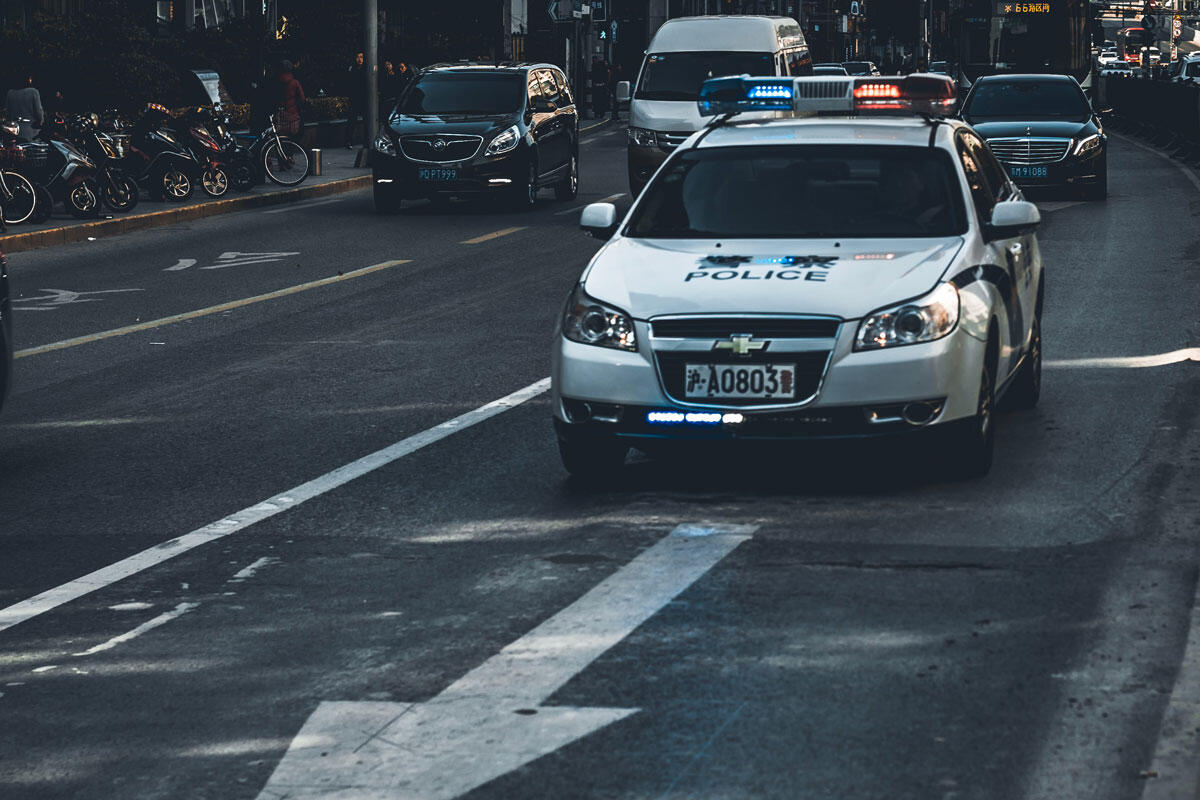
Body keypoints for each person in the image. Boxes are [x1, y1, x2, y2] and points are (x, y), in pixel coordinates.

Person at [6, 73, 44, 142]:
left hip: (14, 131)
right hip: (32, 131)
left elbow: (8, 114)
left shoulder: (10, 93)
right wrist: (41, 121)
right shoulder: (33, 92)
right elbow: (39, 111)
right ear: (28, 80)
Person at [276, 60, 306, 137]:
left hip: (280, 115)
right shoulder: (295, 83)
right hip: (293, 115)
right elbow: (302, 99)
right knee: (293, 137)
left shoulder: (276, 82)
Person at [344, 51, 366, 148]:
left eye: (361, 57)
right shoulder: (352, 69)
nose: (359, 59)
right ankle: (348, 141)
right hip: (354, 98)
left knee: (367, 120)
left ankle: (367, 140)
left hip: (364, 98)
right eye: (358, 57)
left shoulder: (366, 69)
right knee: (351, 120)